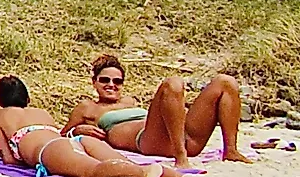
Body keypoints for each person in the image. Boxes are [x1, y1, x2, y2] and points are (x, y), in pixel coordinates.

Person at [0, 76, 220, 177]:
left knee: (95, 172)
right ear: (26, 97)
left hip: (49, 151)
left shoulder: (1, 115)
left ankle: (146, 173)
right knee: (123, 163)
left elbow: (9, 159)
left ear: (2, 99)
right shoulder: (40, 112)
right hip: (75, 141)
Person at [63, 53, 250, 168]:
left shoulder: (130, 101)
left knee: (225, 82)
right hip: (148, 141)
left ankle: (231, 150)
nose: (111, 85)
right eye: (105, 80)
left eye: (117, 81)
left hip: (185, 138)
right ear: (94, 82)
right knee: (172, 84)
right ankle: (180, 157)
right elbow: (60, 135)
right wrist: (76, 130)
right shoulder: (88, 107)